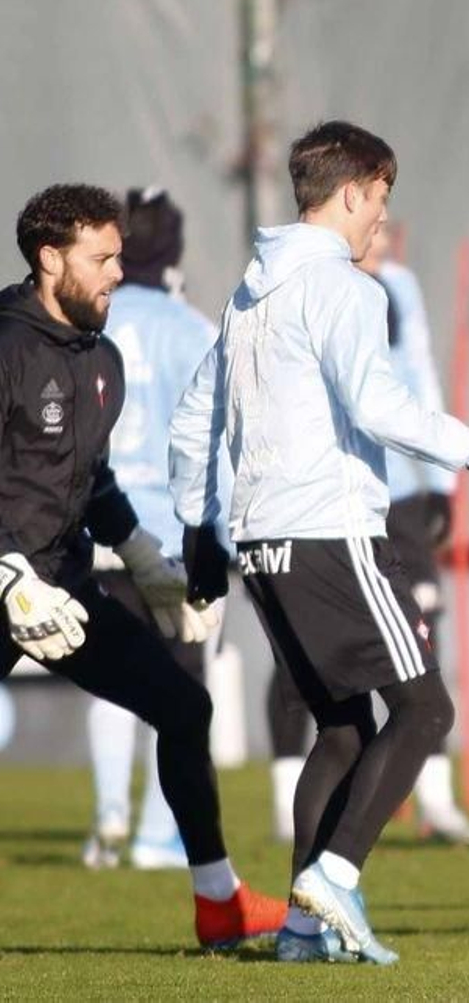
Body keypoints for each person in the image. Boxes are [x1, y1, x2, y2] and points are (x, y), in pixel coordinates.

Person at [169, 121, 469, 964]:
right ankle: (334, 874)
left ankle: (304, 929)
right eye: (380, 199)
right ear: (351, 193)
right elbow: (380, 406)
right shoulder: (345, 288)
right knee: (425, 709)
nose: (383, 218)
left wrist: (199, 530)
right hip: (330, 533)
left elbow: (197, 416)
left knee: (341, 728)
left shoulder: (249, 291)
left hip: (261, 543)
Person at [1, 183, 284, 948]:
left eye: (119, 256)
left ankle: (217, 901)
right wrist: (7, 574)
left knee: (184, 708)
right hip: (7, 586)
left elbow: (90, 481)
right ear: (48, 257)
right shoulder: (3, 345)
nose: (117, 273)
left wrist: (142, 555)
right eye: (100, 259)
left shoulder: (104, 359)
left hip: (60, 589)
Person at [266, 222, 469, 846]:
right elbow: (367, 401)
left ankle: (431, 803)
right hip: (328, 498)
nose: (380, 241)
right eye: (374, 222)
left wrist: (444, 478)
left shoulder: (397, 289)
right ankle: (312, 837)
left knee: (420, 646)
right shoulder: (305, 288)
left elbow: (419, 373)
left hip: (400, 488)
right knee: (311, 673)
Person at [82, 186, 225, 873]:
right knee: (182, 692)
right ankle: (157, 835)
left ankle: (108, 817)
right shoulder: (190, 326)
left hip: (96, 527)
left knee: (107, 678)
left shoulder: (88, 323)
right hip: (167, 537)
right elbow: (216, 437)